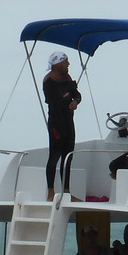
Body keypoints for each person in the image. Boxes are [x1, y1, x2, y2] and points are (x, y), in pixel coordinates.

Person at [43, 52, 82, 200]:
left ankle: (66, 191)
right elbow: (54, 101)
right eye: (66, 62)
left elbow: (76, 94)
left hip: (68, 121)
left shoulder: (67, 78)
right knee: (55, 155)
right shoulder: (49, 81)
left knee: (68, 157)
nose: (68, 64)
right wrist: (67, 97)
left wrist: (75, 102)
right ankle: (51, 192)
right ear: (57, 64)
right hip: (56, 123)